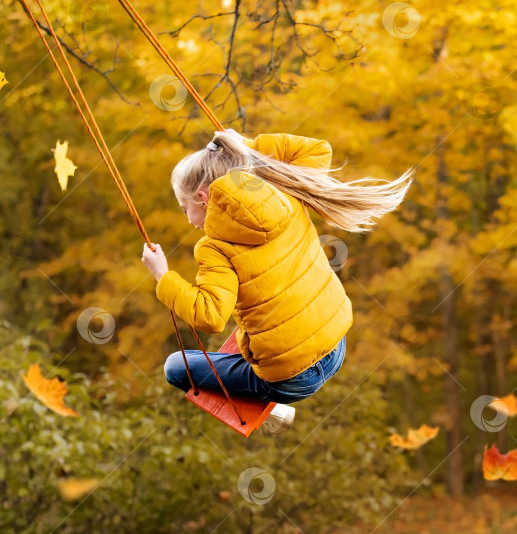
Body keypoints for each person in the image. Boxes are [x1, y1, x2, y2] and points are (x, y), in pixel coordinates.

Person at [141, 128, 415, 435]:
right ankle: (268, 390)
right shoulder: (283, 191)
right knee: (252, 318)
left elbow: (210, 317)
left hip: (293, 379)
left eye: (185, 209)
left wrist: (162, 275)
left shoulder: (214, 246)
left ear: (203, 199)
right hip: (335, 344)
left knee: (176, 367)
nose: (189, 220)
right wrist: (247, 143)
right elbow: (317, 148)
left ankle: (267, 403)